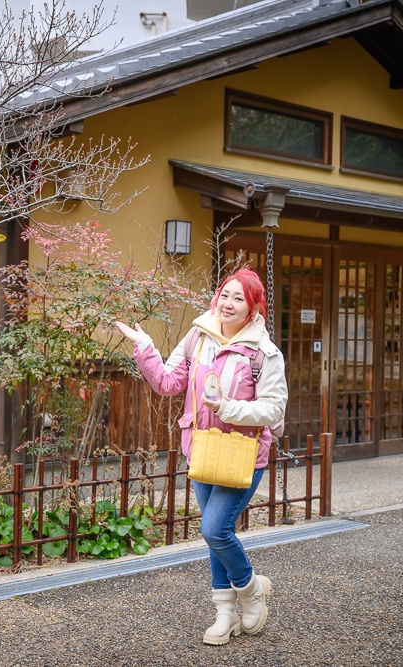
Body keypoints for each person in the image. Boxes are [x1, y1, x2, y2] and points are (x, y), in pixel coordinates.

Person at [116, 267, 288, 646]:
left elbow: (274, 409)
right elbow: (167, 382)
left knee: (214, 529)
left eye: (238, 298)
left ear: (254, 308)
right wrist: (145, 346)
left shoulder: (264, 354)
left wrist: (228, 408)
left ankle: (251, 590)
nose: (227, 303)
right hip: (202, 451)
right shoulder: (198, 336)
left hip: (243, 455)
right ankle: (224, 614)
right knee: (214, 535)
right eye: (224, 294)